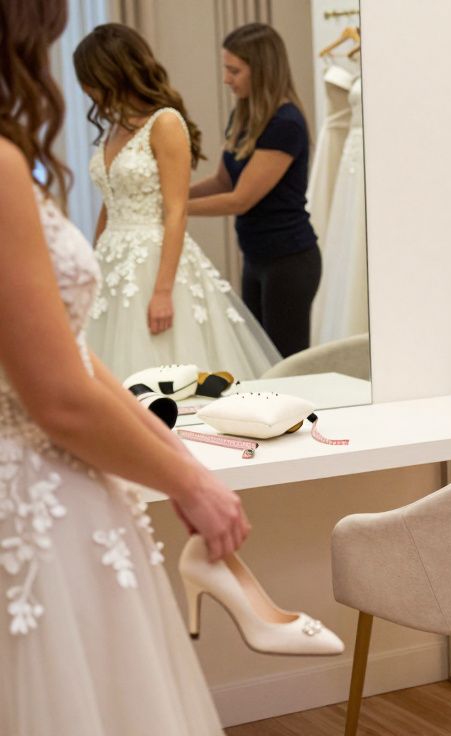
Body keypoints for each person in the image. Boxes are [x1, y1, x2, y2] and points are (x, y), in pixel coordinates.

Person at [0, 2, 248, 732]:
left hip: (147, 267)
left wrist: (166, 445)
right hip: (38, 482)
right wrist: (188, 479)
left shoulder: (160, 124)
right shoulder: (10, 163)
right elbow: (60, 394)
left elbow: (173, 212)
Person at [75, 23, 281, 380]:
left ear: (112, 73)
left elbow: (176, 211)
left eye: (90, 79)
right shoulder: (113, 127)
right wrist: (94, 267)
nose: (87, 89)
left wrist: (162, 291)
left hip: (155, 261)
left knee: (161, 369)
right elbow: (110, 202)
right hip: (113, 262)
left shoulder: (165, 123)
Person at [189, 22, 320, 357]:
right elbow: (223, 182)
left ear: (262, 70)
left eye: (234, 71)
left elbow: (240, 200)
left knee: (285, 364)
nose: (226, 79)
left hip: (289, 261)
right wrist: (175, 193)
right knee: (258, 359)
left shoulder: (285, 123)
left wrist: (174, 209)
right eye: (226, 69)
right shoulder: (242, 115)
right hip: (255, 257)